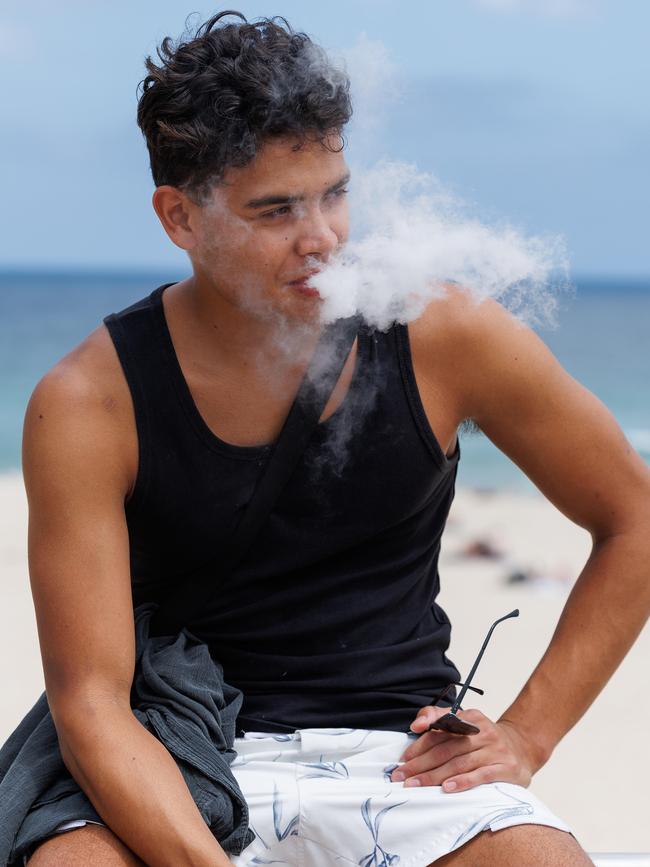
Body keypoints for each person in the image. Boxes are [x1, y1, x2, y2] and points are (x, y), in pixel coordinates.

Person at [7, 10, 650, 867]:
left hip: (400, 756)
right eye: (275, 210)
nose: (322, 239)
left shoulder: (443, 333)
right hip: (179, 751)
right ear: (180, 217)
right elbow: (90, 700)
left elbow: (634, 519)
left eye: (335, 194)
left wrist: (527, 735)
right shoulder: (89, 401)